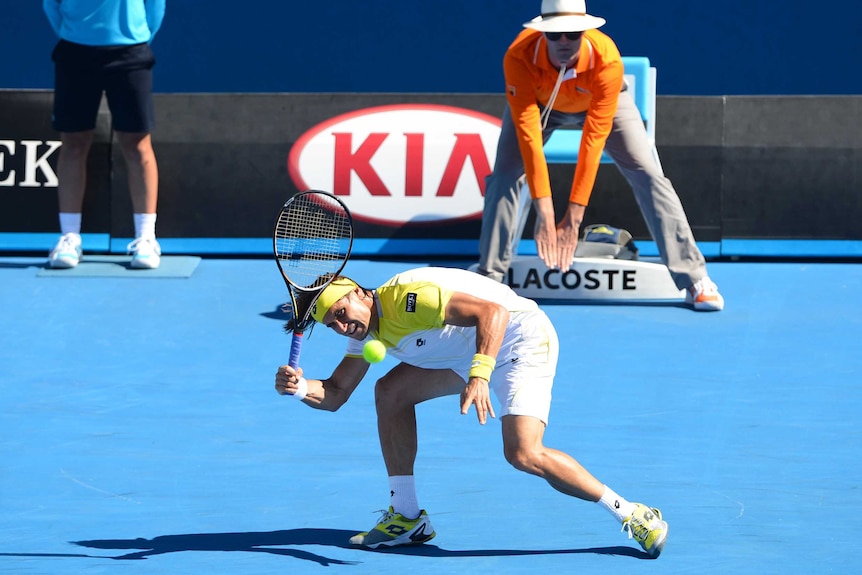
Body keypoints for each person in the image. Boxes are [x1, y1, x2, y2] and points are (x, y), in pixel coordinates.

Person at [274, 266, 669, 557]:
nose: (343, 327)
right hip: (465, 353)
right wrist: (299, 389)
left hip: (518, 337)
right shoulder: (367, 331)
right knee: (390, 391)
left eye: (342, 313)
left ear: (360, 294)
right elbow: (337, 392)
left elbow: (493, 314)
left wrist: (481, 375)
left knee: (524, 453)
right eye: (333, 325)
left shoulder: (410, 299)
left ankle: (631, 513)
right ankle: (407, 514)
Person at [477, 0, 724, 311]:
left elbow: (592, 142)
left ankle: (695, 279)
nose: (564, 42)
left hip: (600, 104)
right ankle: (490, 280)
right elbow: (529, 139)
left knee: (648, 174)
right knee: (505, 176)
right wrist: (546, 214)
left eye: (573, 33)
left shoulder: (607, 59)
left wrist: (573, 219)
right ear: (542, 34)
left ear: (585, 31)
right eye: (555, 35)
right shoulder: (518, 56)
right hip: (541, 107)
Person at [43, 0, 166, 269]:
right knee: (74, 142)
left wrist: (138, 35)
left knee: (137, 143)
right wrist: (74, 33)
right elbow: (51, 4)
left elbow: (156, 5)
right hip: (74, 52)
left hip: (130, 52)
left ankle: (146, 239)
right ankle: (69, 237)